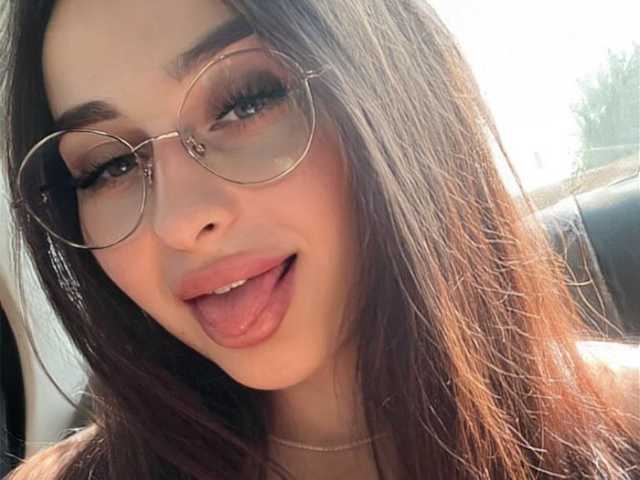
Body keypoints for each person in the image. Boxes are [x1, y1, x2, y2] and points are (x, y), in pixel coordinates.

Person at [2, 1, 638, 479]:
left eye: (247, 102)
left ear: (391, 91)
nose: (177, 221)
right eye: (107, 167)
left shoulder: (621, 426)